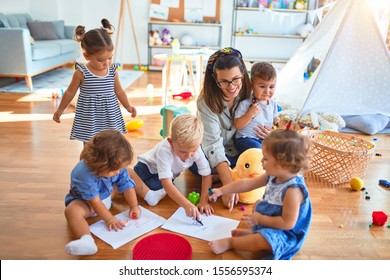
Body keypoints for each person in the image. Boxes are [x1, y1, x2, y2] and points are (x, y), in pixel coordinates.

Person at [208, 129, 312, 260]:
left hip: (286, 234)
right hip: (273, 218)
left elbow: (287, 224)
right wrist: (222, 190)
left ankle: (231, 243)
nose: (262, 161)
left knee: (261, 240)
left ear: (284, 164)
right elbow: (247, 183)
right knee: (258, 204)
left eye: (266, 158)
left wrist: (260, 219)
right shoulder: (275, 174)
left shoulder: (293, 191)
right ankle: (254, 233)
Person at [196, 47, 269, 210]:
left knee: (260, 153)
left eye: (236, 79)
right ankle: (228, 174)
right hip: (216, 154)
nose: (231, 87)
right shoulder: (205, 102)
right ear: (215, 80)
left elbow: (267, 114)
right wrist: (228, 185)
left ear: (243, 73)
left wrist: (270, 132)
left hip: (241, 151)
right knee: (196, 163)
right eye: (224, 81)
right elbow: (213, 145)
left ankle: (224, 174)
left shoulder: (252, 91)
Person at [53, 19, 137, 144]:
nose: (107, 63)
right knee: (89, 146)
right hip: (89, 117)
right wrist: (60, 110)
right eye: (100, 60)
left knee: (111, 144)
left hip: (110, 115)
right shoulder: (81, 72)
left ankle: (109, 163)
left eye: (110, 58)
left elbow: (119, 91)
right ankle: (85, 164)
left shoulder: (112, 71)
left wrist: (128, 106)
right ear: (87, 56)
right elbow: (70, 92)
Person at [64, 129, 140, 256]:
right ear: (100, 165)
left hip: (107, 194)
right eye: (115, 170)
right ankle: (87, 240)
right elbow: (95, 202)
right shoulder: (83, 174)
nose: (118, 171)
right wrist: (109, 219)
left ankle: (147, 193)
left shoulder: (115, 167)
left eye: (120, 168)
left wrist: (134, 206)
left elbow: (126, 183)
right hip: (88, 204)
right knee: (71, 211)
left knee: (126, 177)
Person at [128, 114, 213, 221]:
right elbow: (167, 183)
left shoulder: (196, 150)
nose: (189, 156)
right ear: (171, 141)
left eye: (193, 151)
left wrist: (204, 200)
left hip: (165, 176)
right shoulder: (164, 149)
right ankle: (145, 190)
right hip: (146, 169)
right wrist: (186, 204)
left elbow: (207, 176)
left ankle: (150, 191)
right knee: (133, 185)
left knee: (158, 186)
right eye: (183, 152)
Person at [234, 62, 280, 154]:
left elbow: (276, 119)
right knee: (258, 151)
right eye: (262, 86)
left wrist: (277, 125)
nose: (267, 91)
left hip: (263, 139)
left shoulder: (273, 104)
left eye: (271, 87)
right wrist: (250, 114)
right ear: (252, 85)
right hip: (246, 139)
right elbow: (237, 125)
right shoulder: (246, 104)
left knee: (278, 149)